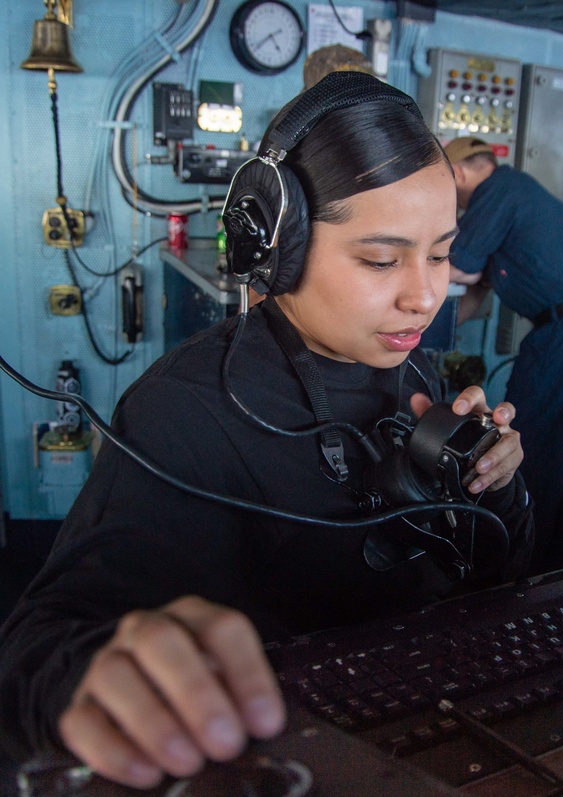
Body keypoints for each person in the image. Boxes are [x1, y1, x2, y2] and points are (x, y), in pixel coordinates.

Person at [0, 73, 533, 789]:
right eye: (381, 259)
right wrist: (94, 677)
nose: (425, 294)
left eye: (439, 253)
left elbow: (497, 579)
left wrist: (495, 489)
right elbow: (36, 647)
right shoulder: (184, 411)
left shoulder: (416, 376)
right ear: (278, 250)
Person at [444, 137, 563, 574]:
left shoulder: (496, 192)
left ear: (457, 174)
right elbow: (478, 288)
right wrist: (436, 329)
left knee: (534, 451)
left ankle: (521, 569)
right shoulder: (518, 195)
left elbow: (462, 266)